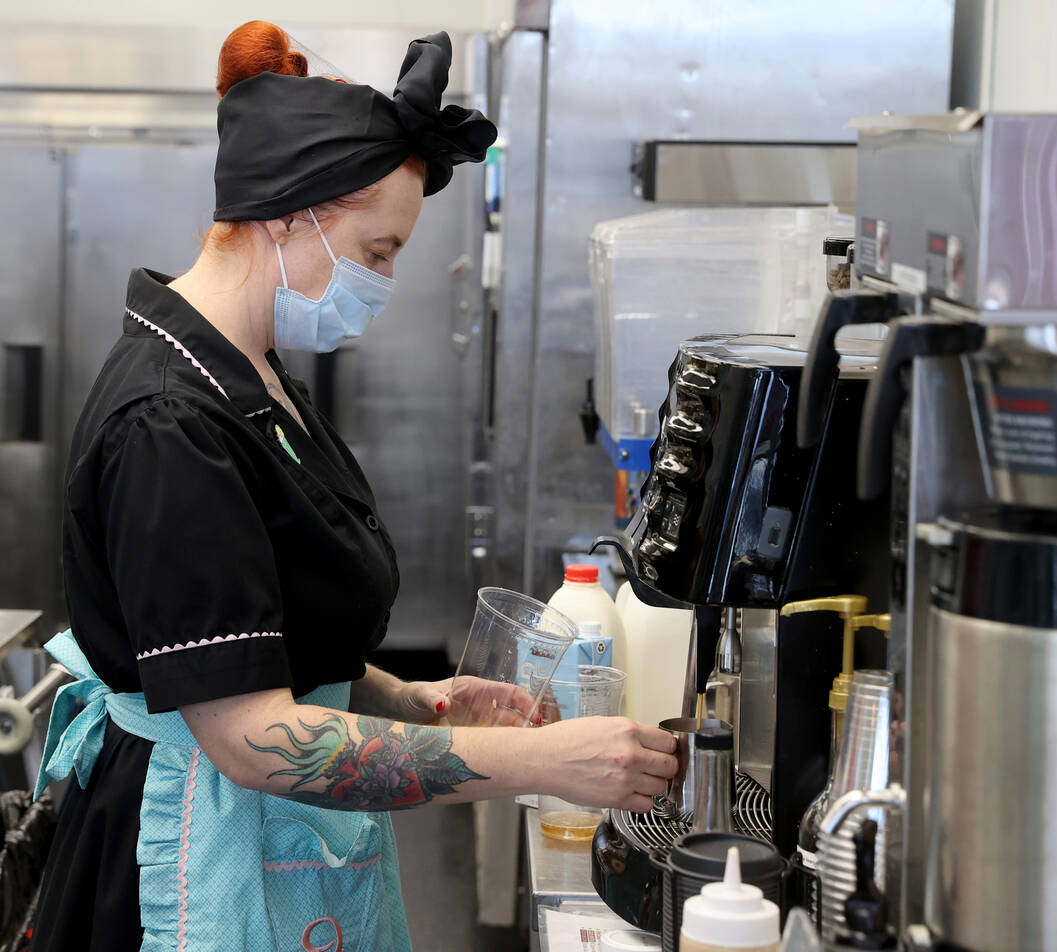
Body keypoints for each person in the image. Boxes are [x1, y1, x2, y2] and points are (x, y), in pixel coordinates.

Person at [30, 22, 677, 952]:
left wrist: (416, 701)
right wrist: (536, 761)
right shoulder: (172, 423)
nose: (384, 281)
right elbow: (252, 735)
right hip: (179, 860)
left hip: (269, 839)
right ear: (291, 214)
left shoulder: (253, 376)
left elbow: (273, 637)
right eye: (376, 252)